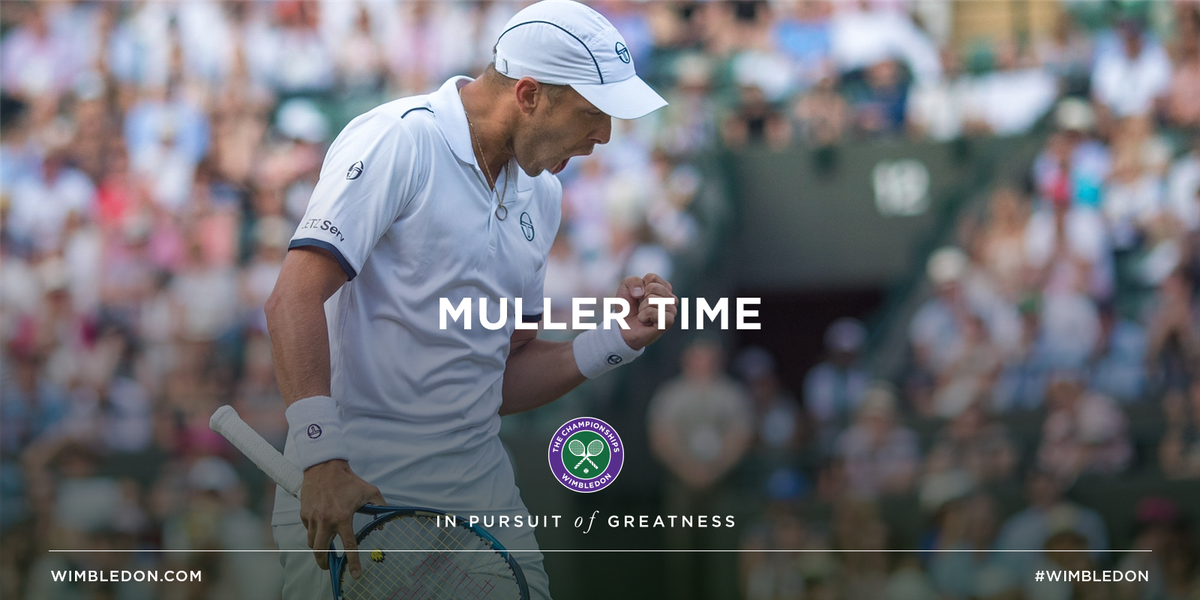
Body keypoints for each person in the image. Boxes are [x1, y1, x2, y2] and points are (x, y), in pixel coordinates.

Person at [264, 3, 676, 599]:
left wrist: (615, 341)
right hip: (356, 488)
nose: (603, 136)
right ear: (529, 95)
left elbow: (498, 377)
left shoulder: (545, 195)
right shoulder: (399, 139)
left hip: (481, 493)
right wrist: (321, 457)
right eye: (592, 114)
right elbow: (292, 300)